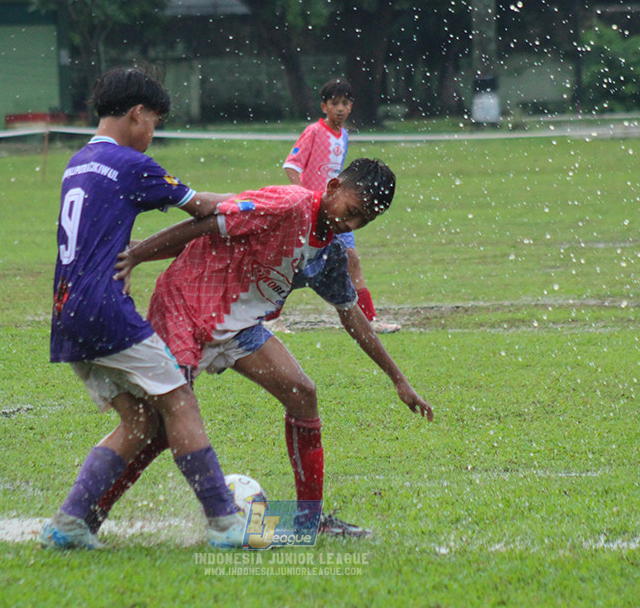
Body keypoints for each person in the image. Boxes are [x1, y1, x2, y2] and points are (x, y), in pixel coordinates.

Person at [94, 158, 434, 539]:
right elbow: (206, 224)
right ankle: (89, 514)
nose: (350, 225)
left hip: (238, 326)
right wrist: (138, 255)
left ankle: (309, 522)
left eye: (363, 222)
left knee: (302, 393)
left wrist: (398, 380)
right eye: (352, 212)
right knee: (157, 428)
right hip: (187, 308)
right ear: (334, 186)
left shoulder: (329, 254)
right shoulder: (288, 204)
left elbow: (351, 315)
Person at [39, 67, 247, 551]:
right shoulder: (133, 165)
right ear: (137, 114)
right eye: (153, 120)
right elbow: (204, 207)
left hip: (66, 313)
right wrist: (258, 201)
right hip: (104, 308)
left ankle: (70, 523)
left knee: (139, 422)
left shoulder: (79, 161)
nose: (152, 133)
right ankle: (224, 522)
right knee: (179, 401)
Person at [282, 78, 401, 333]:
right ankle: (270, 316)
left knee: (352, 259)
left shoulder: (344, 136)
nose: (340, 108)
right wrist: (303, 197)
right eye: (334, 103)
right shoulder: (314, 131)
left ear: (351, 107)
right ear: (323, 106)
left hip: (341, 211)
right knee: (294, 263)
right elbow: (291, 166)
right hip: (314, 210)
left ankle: (369, 320)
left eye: (345, 103)